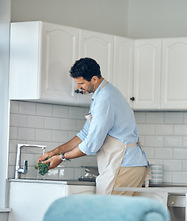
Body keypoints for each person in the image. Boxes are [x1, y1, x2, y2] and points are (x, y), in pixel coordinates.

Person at [37, 57, 148, 195]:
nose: (78, 87)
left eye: (81, 83)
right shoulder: (103, 95)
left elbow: (91, 144)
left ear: (94, 79)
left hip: (123, 166)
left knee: (106, 214)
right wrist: (54, 152)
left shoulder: (104, 99)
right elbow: (84, 134)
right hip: (131, 165)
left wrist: (62, 158)